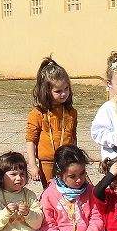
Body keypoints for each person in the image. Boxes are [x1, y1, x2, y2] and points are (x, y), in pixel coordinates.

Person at [24, 56, 78, 185]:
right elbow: (31, 141)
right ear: (46, 91)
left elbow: (73, 138)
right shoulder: (37, 113)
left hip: (68, 162)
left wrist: (77, 161)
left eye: (66, 89)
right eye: (58, 91)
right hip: (47, 164)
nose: (64, 94)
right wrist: (32, 165)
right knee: (52, 196)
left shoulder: (71, 112)